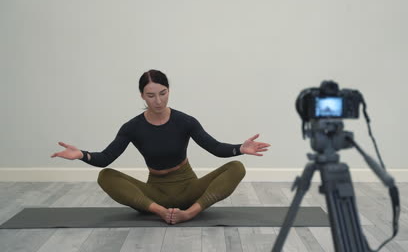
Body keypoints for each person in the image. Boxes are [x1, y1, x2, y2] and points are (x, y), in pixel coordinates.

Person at [51, 69, 271, 225]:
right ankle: (161, 212)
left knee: (237, 167)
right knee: (105, 176)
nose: (158, 101)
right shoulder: (132, 127)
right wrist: (81, 154)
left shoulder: (185, 121)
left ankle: (191, 213)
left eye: (162, 93)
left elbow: (214, 147)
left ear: (169, 91)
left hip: (189, 191)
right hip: (154, 195)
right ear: (142, 96)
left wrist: (240, 148)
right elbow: (106, 158)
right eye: (151, 95)